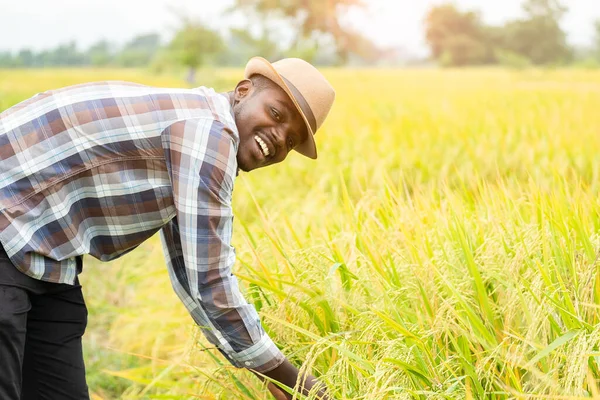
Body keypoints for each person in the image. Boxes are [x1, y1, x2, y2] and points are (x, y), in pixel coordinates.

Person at [0, 57, 335, 399]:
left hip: (42, 250)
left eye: (291, 140)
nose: (279, 138)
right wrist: (294, 382)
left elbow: (191, 275)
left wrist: (268, 373)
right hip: (8, 221)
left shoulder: (199, 134)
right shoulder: (209, 133)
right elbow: (210, 282)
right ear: (243, 91)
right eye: (276, 115)